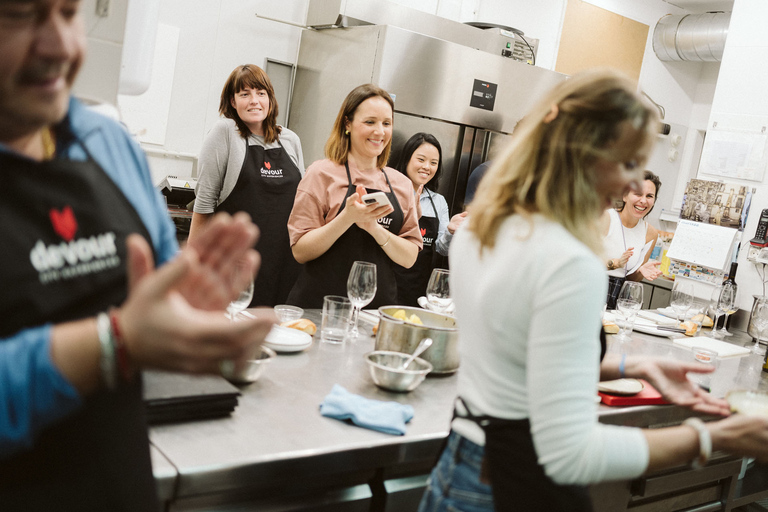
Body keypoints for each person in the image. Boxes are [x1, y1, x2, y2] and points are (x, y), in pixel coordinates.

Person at [417, 69, 768, 512]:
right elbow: (569, 455)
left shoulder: (480, 228)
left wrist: (633, 364)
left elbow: (514, 362)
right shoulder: (570, 261)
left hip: (458, 468)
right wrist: (713, 436)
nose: (633, 187)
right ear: (579, 149)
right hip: (515, 489)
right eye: (626, 163)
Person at [0, 2, 275, 510]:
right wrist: (112, 344)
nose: (61, 45)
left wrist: (186, 309)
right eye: (20, 13)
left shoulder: (105, 142)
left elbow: (158, 287)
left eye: (67, 12)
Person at [286, 84, 422, 309]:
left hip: (374, 314)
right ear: (347, 124)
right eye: (370, 122)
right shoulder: (321, 173)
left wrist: (374, 228)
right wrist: (347, 217)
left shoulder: (402, 184)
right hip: (318, 309)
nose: (380, 131)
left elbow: (409, 258)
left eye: (386, 123)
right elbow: (300, 251)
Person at [190, 64, 304, 307]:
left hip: (284, 264)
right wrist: (193, 269)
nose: (254, 101)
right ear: (232, 101)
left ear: (270, 99)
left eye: (261, 93)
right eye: (245, 94)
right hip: (236, 264)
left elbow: (301, 205)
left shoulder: (290, 140)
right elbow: (203, 206)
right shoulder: (225, 133)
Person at [392, 132, 467, 306]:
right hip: (387, 282)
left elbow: (442, 249)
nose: (427, 167)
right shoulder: (390, 193)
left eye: (433, 163)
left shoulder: (438, 201)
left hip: (417, 289)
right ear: (407, 159)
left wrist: (450, 231)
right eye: (421, 159)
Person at [603, 170, 663, 309]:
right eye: (638, 194)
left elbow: (630, 278)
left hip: (620, 296)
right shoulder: (605, 218)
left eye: (649, 196)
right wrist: (616, 263)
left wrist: (640, 270)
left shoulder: (650, 233)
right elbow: (583, 262)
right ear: (624, 195)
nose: (643, 200)